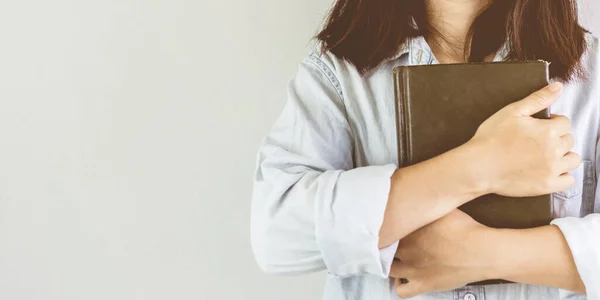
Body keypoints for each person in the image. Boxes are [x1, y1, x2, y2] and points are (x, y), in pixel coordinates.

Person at [251, 0, 600, 299]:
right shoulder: (337, 74)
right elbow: (277, 234)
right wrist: (480, 167)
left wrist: (486, 255)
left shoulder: (593, 73)